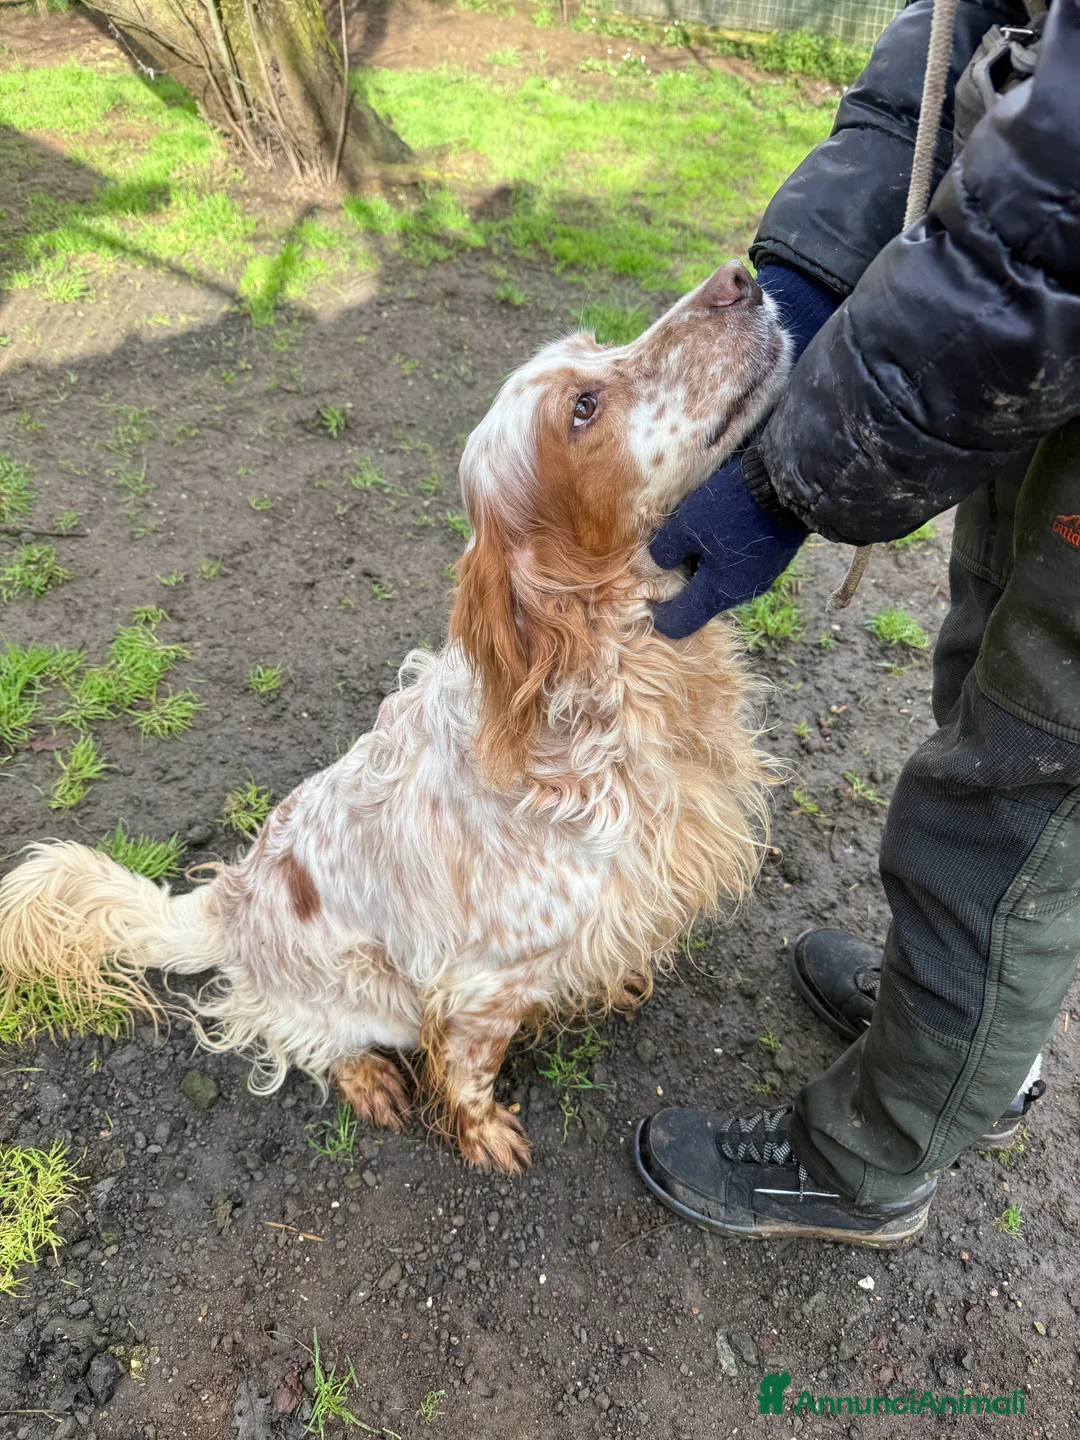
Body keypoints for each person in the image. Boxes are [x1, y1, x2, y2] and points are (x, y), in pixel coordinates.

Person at [633, 0, 1080, 1245]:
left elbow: (1059, 195)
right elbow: (978, 47)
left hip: (1053, 265)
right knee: (990, 635)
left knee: (1020, 789)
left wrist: (788, 479)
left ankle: (871, 1161)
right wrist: (802, 286)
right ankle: (963, 1049)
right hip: (1057, 314)